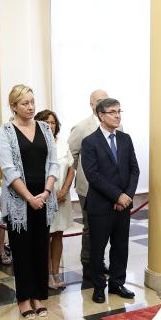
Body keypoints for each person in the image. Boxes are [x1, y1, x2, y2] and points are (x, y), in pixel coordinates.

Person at [0, 85, 59, 319]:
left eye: (32, 102)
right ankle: (24, 299)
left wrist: (45, 192)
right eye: (25, 103)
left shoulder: (44, 127)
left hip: (44, 198)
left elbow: (54, 163)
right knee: (22, 251)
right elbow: (8, 170)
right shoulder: (6, 131)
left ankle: (39, 296)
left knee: (40, 249)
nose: (31, 107)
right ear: (13, 106)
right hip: (19, 202)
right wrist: (29, 198)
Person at [81, 98, 139, 304]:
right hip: (100, 205)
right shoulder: (89, 142)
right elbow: (93, 175)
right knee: (97, 249)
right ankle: (98, 286)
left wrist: (127, 196)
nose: (117, 115)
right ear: (101, 115)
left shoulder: (125, 139)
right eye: (113, 112)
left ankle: (117, 283)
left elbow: (134, 170)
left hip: (123, 205)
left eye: (119, 111)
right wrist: (117, 195)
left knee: (121, 246)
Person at [68, 89, 110, 285]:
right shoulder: (82, 127)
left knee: (106, 228)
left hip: (110, 188)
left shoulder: (116, 125)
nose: (103, 104)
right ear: (91, 105)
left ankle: (100, 261)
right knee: (90, 228)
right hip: (88, 189)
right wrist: (84, 174)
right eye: (99, 101)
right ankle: (88, 265)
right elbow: (71, 157)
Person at [36, 109, 74, 290]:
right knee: (43, 237)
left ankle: (55, 273)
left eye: (52, 122)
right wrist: (49, 193)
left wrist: (64, 190)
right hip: (43, 197)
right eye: (45, 122)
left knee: (58, 234)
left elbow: (71, 169)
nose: (49, 126)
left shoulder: (63, 143)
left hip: (62, 197)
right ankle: (43, 275)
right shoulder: (35, 143)